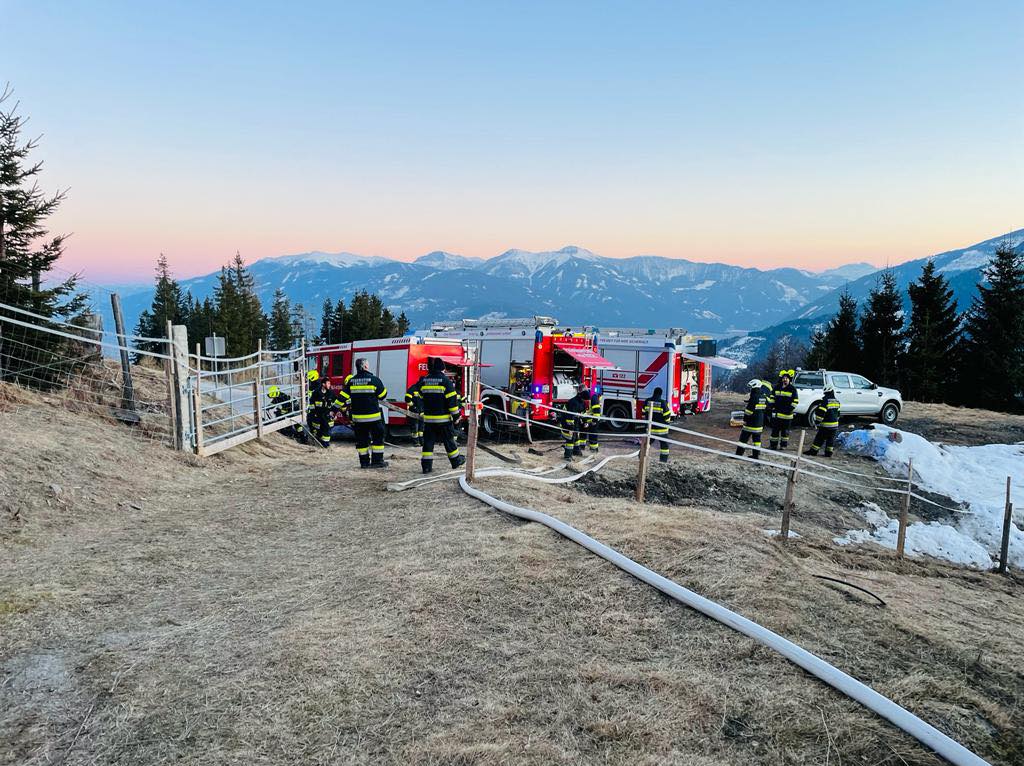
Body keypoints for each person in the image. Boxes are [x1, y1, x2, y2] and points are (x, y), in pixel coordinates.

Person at [413, 357, 466, 474]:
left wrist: (421, 410)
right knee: (449, 441)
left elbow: (417, 396)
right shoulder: (445, 381)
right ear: (443, 369)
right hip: (443, 420)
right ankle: (456, 461)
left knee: (428, 443)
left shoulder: (425, 380)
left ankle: (426, 467)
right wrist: (456, 417)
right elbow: (452, 403)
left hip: (429, 420)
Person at [335, 358, 388, 468]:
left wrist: (332, 410)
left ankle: (364, 463)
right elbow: (382, 395)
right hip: (374, 418)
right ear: (365, 366)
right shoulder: (374, 380)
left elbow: (341, 398)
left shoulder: (351, 381)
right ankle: (377, 462)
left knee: (362, 441)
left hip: (358, 419)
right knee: (378, 438)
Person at [804, 385, 841, 458]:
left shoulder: (825, 401)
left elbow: (821, 414)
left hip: (826, 425)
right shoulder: (837, 401)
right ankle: (828, 453)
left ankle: (813, 451)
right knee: (830, 440)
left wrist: (817, 422)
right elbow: (838, 414)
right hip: (835, 425)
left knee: (819, 438)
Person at [769, 369, 799, 451]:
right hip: (777, 415)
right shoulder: (777, 387)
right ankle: (773, 446)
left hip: (787, 416)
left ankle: (783, 446)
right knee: (774, 431)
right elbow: (772, 397)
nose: (785, 379)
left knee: (785, 433)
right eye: (783, 378)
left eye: (786, 378)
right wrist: (771, 406)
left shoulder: (792, 389)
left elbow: (795, 401)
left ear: (789, 379)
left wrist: (789, 410)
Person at [736, 378, 765, 459]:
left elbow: (749, 411)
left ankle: (738, 455)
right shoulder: (763, 397)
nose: (750, 389)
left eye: (751, 387)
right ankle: (756, 455)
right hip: (759, 422)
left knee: (743, 439)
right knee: (757, 440)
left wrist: (745, 419)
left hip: (750, 423)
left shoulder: (754, 396)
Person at [306, 370, 332, 448]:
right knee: (313, 425)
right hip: (314, 411)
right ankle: (319, 441)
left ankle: (324, 444)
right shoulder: (312, 386)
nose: (308, 381)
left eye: (309, 379)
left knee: (322, 428)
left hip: (321, 412)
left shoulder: (319, 387)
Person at [561, 388, 590, 459]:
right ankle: (568, 456)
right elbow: (569, 417)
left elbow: (583, 413)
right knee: (570, 439)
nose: (585, 401)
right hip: (567, 423)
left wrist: (585, 421)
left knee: (576, 437)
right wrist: (570, 428)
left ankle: (576, 452)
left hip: (575, 422)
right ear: (581, 397)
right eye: (584, 399)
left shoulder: (582, 402)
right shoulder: (573, 402)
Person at [644, 387, 671, 463]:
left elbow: (643, 413)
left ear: (654, 392)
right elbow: (667, 415)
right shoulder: (663, 403)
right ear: (661, 394)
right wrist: (667, 424)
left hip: (650, 429)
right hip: (661, 430)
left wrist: (646, 423)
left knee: (647, 444)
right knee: (664, 446)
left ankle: (641, 456)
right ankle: (663, 461)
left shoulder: (647, 401)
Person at [405, 378, 424, 446]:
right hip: (414, 411)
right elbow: (407, 399)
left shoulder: (423, 389)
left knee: (421, 429)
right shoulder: (413, 388)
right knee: (415, 428)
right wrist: (413, 406)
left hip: (422, 412)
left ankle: (421, 441)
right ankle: (416, 442)